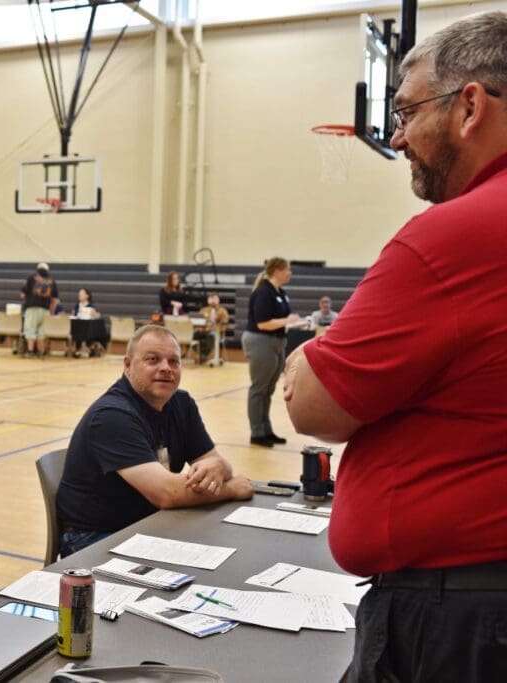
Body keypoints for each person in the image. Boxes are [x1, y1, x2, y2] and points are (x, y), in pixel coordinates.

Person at [283, 12, 507, 682]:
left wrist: (304, 353)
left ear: (470, 105)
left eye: (407, 111)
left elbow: (315, 407)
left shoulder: (453, 236)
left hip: (454, 619)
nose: (399, 137)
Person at [56, 325, 253, 555]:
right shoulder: (112, 416)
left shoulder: (181, 404)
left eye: (174, 361)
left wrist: (217, 466)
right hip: (94, 537)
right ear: (128, 365)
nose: (166, 368)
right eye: (153, 360)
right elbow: (167, 494)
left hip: (149, 523)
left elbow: (218, 464)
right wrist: (230, 489)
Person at [241, 257, 300, 448]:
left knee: (269, 389)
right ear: (277, 271)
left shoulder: (280, 292)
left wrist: (292, 322)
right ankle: (256, 433)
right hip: (260, 341)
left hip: (277, 341)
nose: (290, 273)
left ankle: (266, 429)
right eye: (287, 269)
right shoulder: (263, 292)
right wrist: (287, 321)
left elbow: (281, 319)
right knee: (259, 388)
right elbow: (263, 323)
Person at [21, 262, 59, 357]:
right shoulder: (52, 281)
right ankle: (40, 351)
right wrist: (52, 312)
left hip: (32, 308)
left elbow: (23, 294)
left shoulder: (31, 277)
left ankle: (30, 351)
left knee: (30, 329)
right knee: (41, 332)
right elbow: (55, 299)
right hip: (45, 309)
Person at [70, 288, 107, 358]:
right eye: (79, 294)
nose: (80, 295)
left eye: (82, 294)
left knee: (89, 331)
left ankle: (91, 348)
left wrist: (93, 314)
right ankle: (77, 349)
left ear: (87, 296)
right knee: (76, 330)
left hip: (88, 326)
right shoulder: (77, 305)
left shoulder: (91, 306)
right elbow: (73, 314)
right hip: (78, 326)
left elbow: (94, 315)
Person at [195, 291, 230, 363]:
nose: (213, 300)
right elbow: (198, 321)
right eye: (211, 298)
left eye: (215, 298)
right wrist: (200, 328)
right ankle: (201, 354)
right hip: (203, 331)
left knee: (211, 336)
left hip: (215, 332)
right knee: (194, 335)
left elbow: (224, 324)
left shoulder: (222, 311)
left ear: (218, 300)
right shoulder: (203, 310)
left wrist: (213, 329)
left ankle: (204, 354)